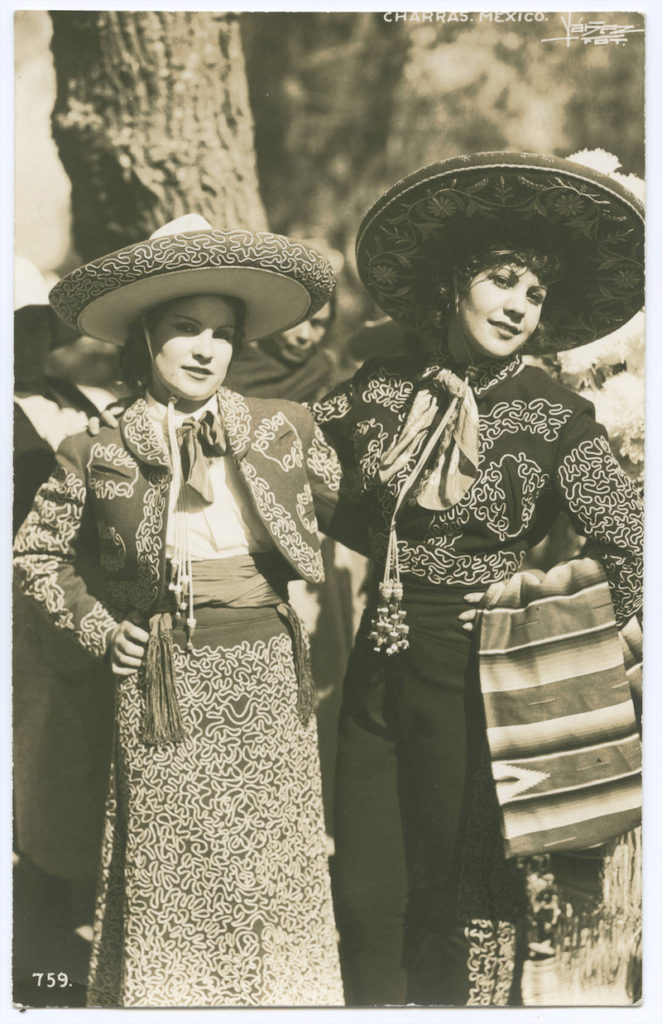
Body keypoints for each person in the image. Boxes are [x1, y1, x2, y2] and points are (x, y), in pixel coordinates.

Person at [307, 153, 644, 1006]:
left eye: (534, 296)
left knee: (460, 896)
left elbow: (637, 542)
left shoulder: (557, 416)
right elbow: (296, 472)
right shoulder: (378, 391)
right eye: (502, 282)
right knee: (368, 892)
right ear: (456, 281)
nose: (519, 308)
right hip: (379, 666)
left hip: (481, 677)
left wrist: (555, 617)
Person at [13, 215, 352, 1008]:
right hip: (164, 687)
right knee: (175, 884)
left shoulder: (284, 428)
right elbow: (35, 556)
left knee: (273, 878)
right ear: (146, 338)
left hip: (269, 680)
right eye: (184, 329)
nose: (205, 349)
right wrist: (104, 630)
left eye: (222, 333)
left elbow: (368, 508)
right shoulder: (95, 452)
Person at [13, 257, 116, 1005]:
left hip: (68, 613)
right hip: (15, 626)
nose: (24, 336)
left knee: (67, 780)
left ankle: (70, 961)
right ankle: (33, 974)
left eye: (33, 321)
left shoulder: (81, 403)